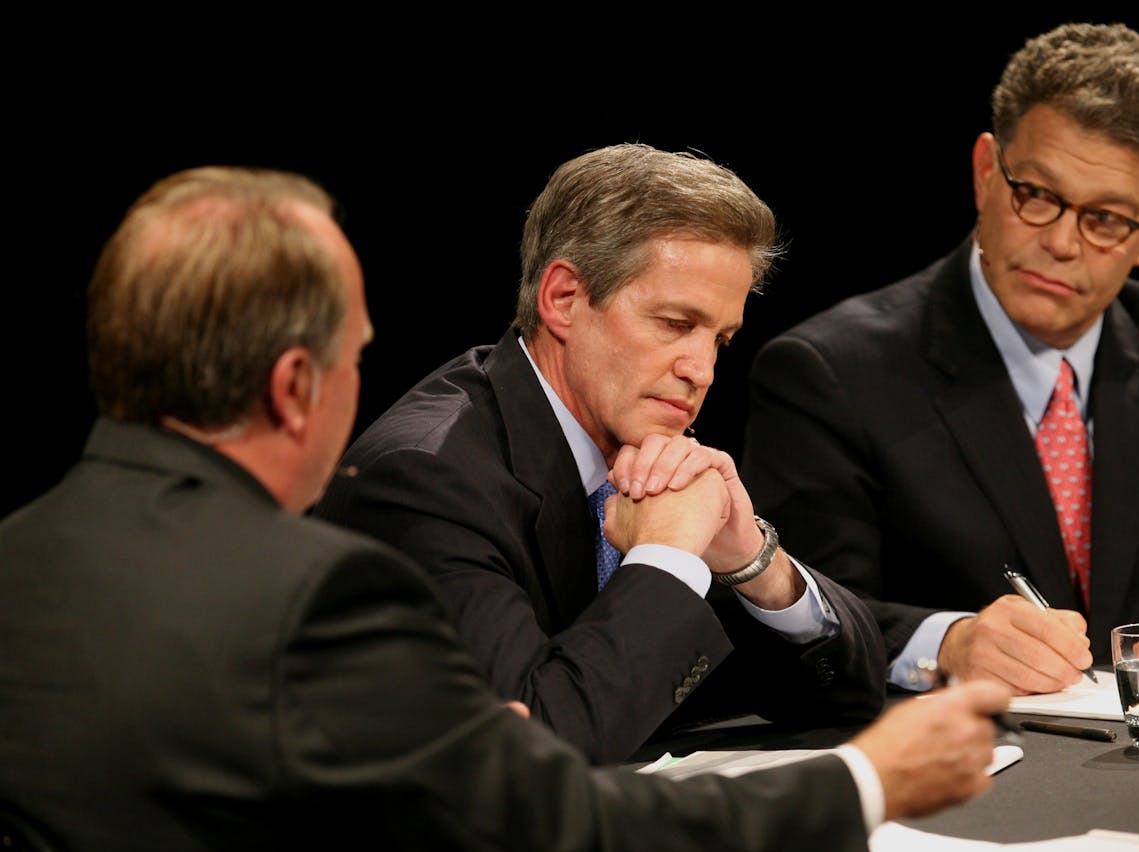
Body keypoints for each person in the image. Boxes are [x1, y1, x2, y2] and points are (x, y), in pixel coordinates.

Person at [0, 166, 1009, 852]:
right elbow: (552, 834)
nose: (702, 364)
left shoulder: (20, 554)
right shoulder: (319, 587)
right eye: (357, 357)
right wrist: (862, 785)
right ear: (294, 387)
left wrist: (739, 557)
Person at [740, 22, 1139, 696]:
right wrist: (950, 645)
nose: (1063, 244)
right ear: (987, 172)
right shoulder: (832, 372)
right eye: (1038, 196)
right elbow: (793, 621)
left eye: (1105, 218)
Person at [313, 144, 886, 764]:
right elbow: (536, 750)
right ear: (562, 300)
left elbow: (851, 689)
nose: (702, 370)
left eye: (720, 338)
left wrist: (749, 557)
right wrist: (666, 557)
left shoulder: (652, 459)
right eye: (673, 323)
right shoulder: (424, 479)